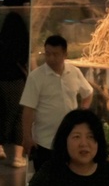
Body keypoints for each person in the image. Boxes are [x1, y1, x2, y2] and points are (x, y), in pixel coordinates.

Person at [18, 34, 94, 169]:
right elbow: (28, 109)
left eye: (55, 54)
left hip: (70, 140)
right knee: (45, 176)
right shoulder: (36, 77)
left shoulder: (74, 72)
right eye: (48, 54)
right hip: (44, 141)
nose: (51, 58)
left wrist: (82, 114)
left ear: (65, 54)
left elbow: (88, 93)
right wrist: (27, 137)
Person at [0, 11, 29, 165]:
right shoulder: (25, 43)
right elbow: (31, 66)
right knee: (18, 119)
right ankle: (17, 157)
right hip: (19, 84)